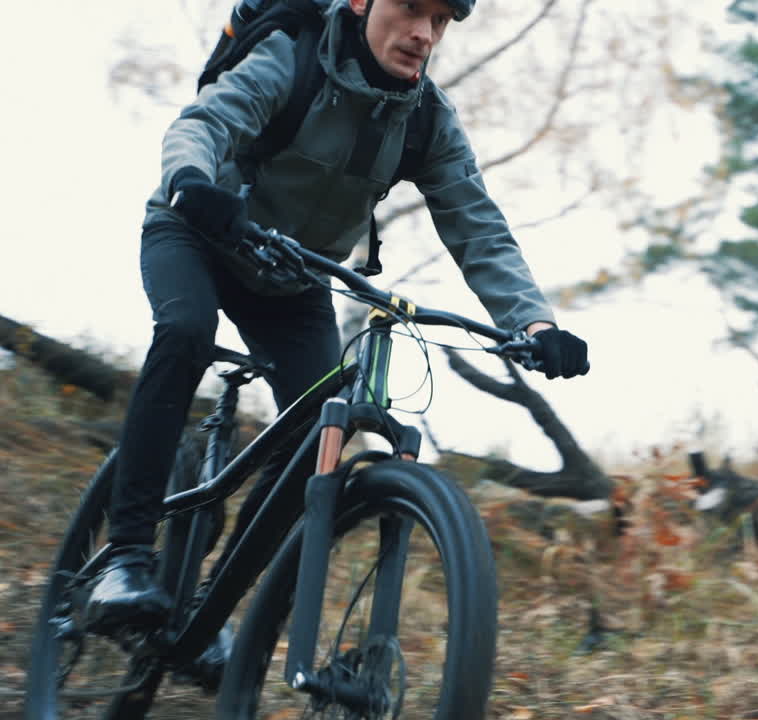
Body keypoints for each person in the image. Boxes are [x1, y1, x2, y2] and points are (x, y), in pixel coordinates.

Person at [85, 0, 589, 681]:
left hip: (292, 281)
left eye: (440, 22)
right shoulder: (291, 58)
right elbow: (205, 122)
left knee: (312, 438)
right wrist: (192, 183)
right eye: (411, 8)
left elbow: (478, 227)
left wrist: (536, 324)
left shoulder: (425, 119)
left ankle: (209, 608)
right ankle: (124, 557)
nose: (423, 34)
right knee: (184, 333)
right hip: (200, 232)